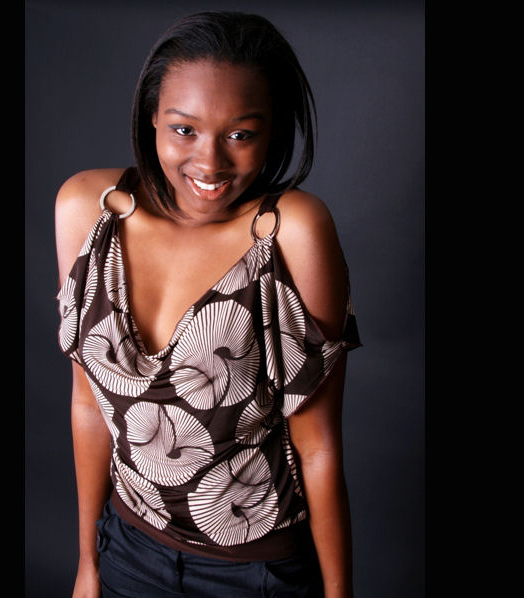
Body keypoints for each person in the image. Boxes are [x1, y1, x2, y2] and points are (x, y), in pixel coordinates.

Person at [55, 11, 361, 598]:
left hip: (256, 572)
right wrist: (88, 563)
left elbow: (318, 445)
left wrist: (338, 592)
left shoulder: (290, 233)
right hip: (127, 550)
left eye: (240, 135)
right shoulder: (88, 210)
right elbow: (88, 405)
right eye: (184, 129)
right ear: (151, 117)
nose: (210, 162)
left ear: (272, 132)